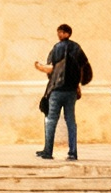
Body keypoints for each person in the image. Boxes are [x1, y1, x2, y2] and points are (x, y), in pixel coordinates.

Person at [31, 22, 91, 161]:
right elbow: (84, 67)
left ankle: (48, 151)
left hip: (56, 90)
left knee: (51, 120)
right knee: (70, 121)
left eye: (61, 32)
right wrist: (78, 84)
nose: (59, 34)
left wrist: (39, 67)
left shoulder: (57, 48)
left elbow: (50, 68)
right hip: (70, 91)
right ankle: (72, 152)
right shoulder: (77, 48)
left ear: (66, 33)